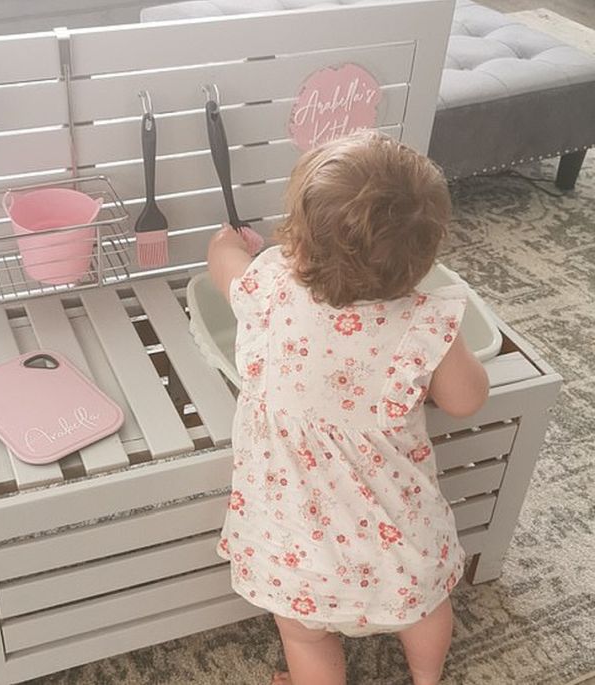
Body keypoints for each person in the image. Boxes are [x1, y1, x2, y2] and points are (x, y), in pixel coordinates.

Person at [207, 130, 489, 685]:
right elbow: (466, 399)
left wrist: (229, 241)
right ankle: (427, 678)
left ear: (298, 245)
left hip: (298, 550)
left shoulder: (269, 287)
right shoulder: (425, 322)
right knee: (427, 608)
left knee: (304, 636)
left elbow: (224, 266)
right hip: (402, 547)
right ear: (423, 259)